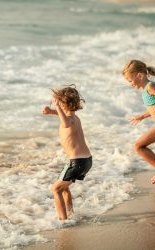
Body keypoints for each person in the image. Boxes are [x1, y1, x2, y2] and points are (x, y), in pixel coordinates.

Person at [42, 85, 92, 220]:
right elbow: (63, 117)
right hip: (86, 160)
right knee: (64, 187)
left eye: (59, 102)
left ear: (64, 104)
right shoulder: (74, 117)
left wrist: (56, 106)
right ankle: (70, 213)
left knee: (55, 189)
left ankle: (63, 220)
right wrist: (51, 111)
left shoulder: (69, 120)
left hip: (78, 162)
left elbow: (65, 123)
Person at [122, 59, 155, 184]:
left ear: (140, 75)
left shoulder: (151, 87)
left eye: (130, 80)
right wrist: (142, 116)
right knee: (139, 146)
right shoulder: (147, 88)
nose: (130, 84)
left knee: (138, 146)